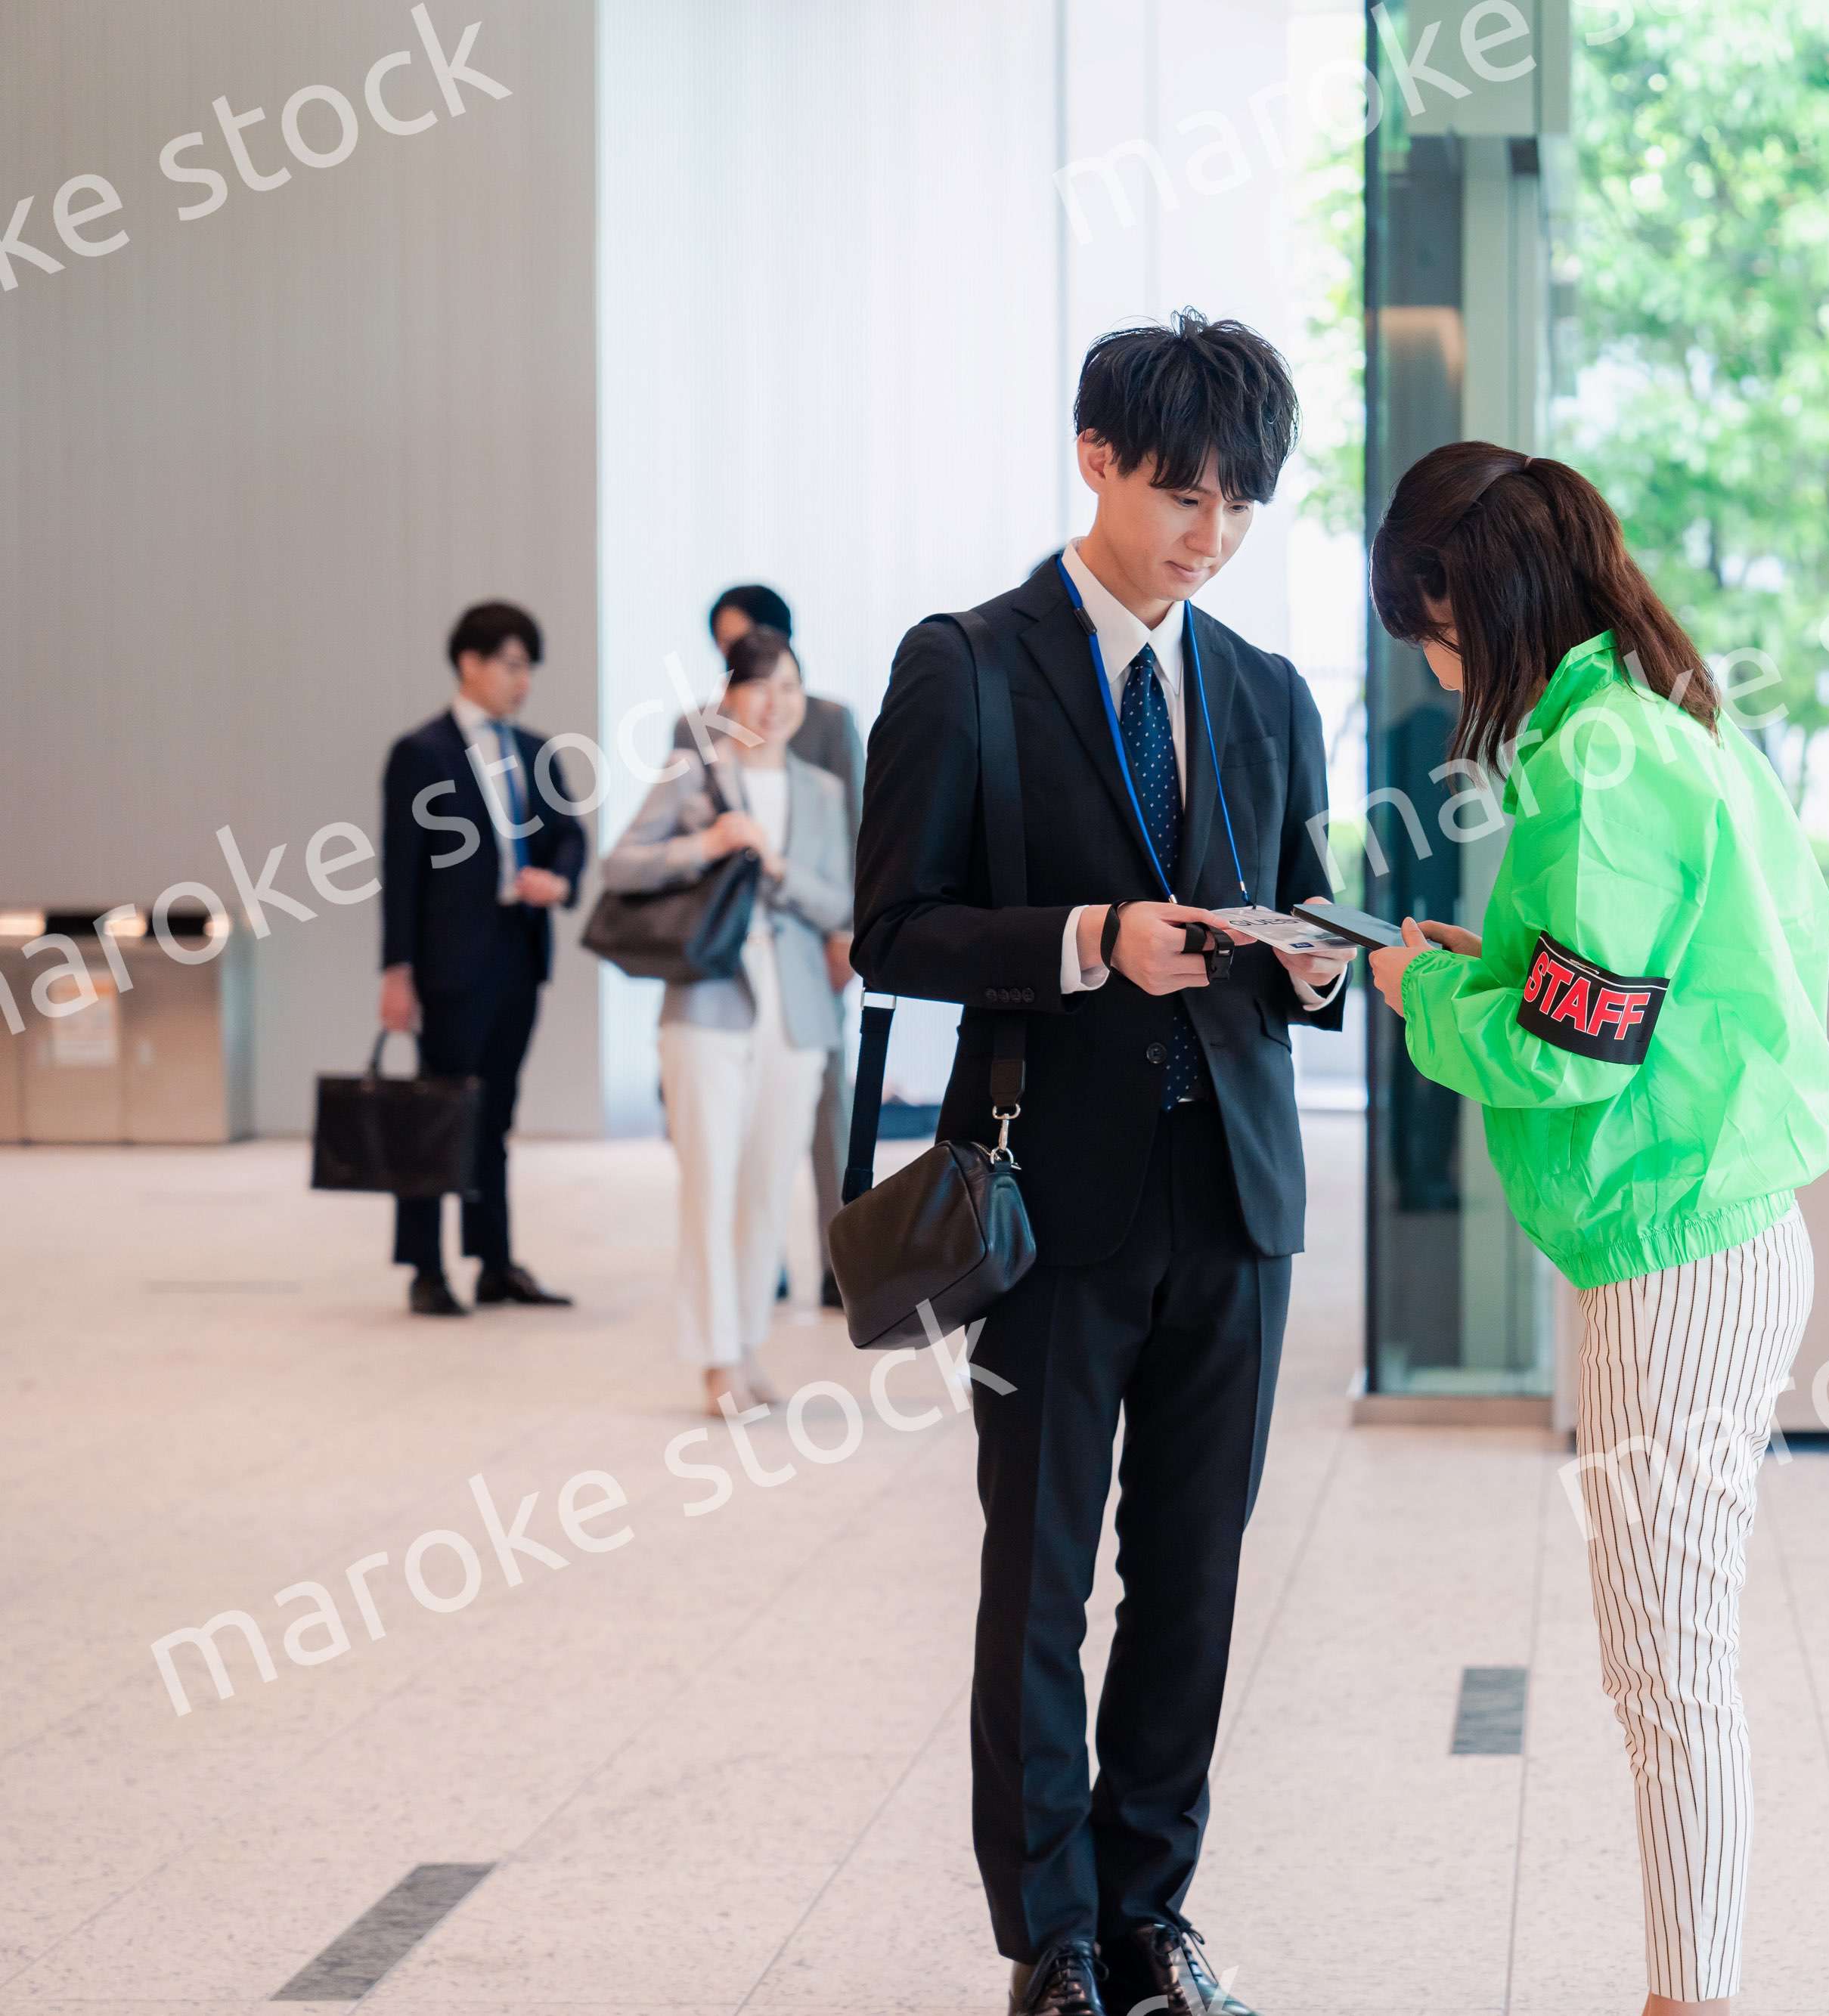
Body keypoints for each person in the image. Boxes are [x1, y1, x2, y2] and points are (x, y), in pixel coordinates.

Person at [854, 311, 1350, 2016]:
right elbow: (895, 929)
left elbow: (1296, 898)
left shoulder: (1268, 693)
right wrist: (1084, 938)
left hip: (1235, 1199)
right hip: (1048, 1197)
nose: (1206, 536)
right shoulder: (968, 665)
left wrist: (1316, 962)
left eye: (1239, 506)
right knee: (1039, 1579)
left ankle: (1151, 1913)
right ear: (1094, 456)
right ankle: (1049, 1938)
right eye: (1180, 493)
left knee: (1196, 1581)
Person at [1362, 443, 1829, 2016]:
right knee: (1670, 1649)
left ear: (1476, 602)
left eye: (1429, 630)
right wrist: (1478, 960)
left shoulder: (1597, 765)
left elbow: (1574, 1044)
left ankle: (1688, 1998)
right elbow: (1618, 986)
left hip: (1673, 1258)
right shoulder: (1661, 729)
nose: (1436, 667)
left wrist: (1417, 988)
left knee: (1662, 1662)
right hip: (1706, 1229)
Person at [604, 627, 854, 1415]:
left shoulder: (821, 790)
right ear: (727, 698)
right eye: (759, 686)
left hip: (794, 1009)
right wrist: (708, 843)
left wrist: (776, 870)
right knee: (708, 1184)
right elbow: (621, 866)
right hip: (706, 1001)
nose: (775, 703)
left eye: (789, 687)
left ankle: (746, 1348)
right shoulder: (693, 774)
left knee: (764, 1190)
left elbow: (840, 902)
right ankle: (714, 1362)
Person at [378, 600, 589, 1318]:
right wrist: (396, 971)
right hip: (449, 960)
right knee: (439, 1109)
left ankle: (495, 1262)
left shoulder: (537, 751)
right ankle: (426, 1267)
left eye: (529, 666)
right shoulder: (422, 753)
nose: (523, 680)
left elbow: (570, 838)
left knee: (496, 1114)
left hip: (518, 951)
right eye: (511, 664)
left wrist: (559, 880)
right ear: (469, 664)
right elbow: (401, 872)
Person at [706, 583, 865, 1309]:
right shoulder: (701, 729)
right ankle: (754, 1257)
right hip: (725, 952)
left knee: (827, 1105)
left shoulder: (828, 722)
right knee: (731, 1113)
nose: (740, 658)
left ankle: (842, 1260)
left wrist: (846, 936)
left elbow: (858, 836)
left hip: (813, 942)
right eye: (729, 647)